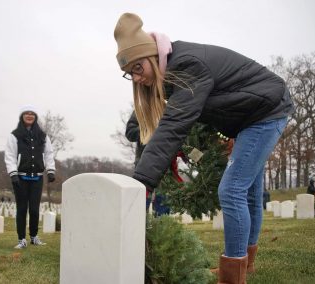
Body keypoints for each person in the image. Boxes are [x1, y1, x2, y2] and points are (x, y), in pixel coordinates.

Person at [114, 13, 294, 283]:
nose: (136, 78)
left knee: (232, 189)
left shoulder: (185, 66)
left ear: (151, 55)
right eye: (130, 74)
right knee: (250, 193)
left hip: (266, 112)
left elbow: (174, 125)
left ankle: (232, 275)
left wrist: (143, 183)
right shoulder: (169, 75)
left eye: (138, 68)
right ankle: (245, 264)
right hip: (250, 118)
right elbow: (218, 102)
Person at [4, 105, 56, 249]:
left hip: (37, 178)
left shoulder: (43, 136)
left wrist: (51, 170)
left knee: (34, 209)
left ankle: (33, 237)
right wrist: (13, 173)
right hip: (20, 178)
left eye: (32, 114)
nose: (29, 116)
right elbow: (10, 156)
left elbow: (49, 154)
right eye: (26, 113)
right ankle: (21, 239)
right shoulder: (14, 135)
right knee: (22, 209)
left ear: (35, 117)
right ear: (22, 116)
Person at [125, 111, 170, 215]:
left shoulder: (172, 105)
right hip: (145, 162)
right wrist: (150, 130)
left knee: (163, 200)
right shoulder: (141, 109)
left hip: (166, 162)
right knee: (142, 199)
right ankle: (138, 227)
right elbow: (130, 133)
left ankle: (161, 228)